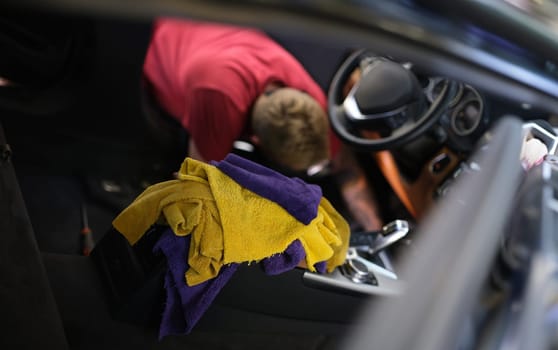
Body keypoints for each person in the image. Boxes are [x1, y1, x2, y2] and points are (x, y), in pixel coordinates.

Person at [142, 17, 383, 232]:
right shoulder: (218, 98)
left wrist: (376, 232)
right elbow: (193, 188)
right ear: (256, 141)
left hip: (217, 33)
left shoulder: (308, 104)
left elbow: (348, 171)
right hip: (171, 30)